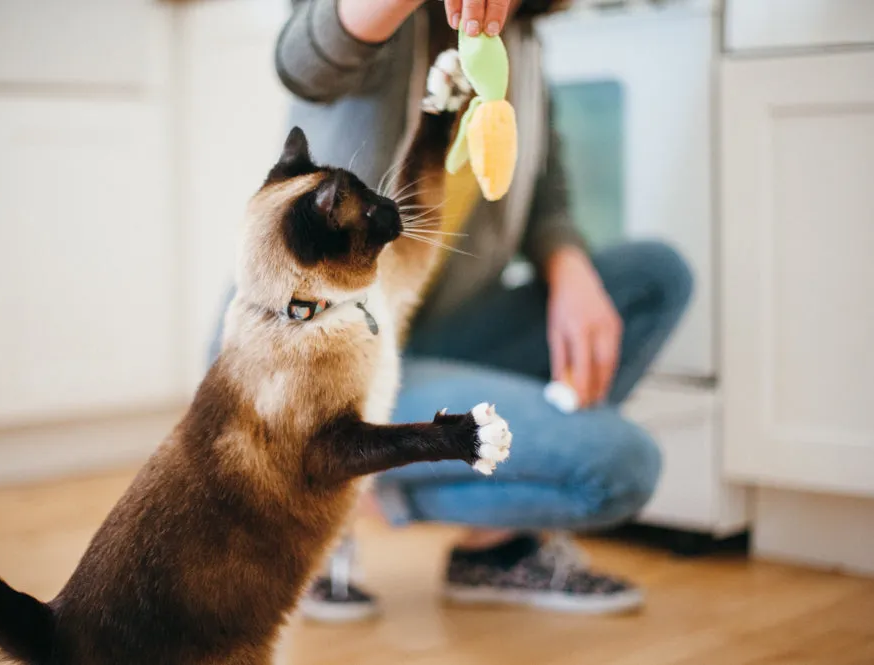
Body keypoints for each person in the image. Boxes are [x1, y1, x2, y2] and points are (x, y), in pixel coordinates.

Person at [211, 0, 694, 620]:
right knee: (620, 467)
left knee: (654, 278)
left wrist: (568, 264)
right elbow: (302, 60)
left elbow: (544, 183)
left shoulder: (516, 35)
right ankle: (336, 491)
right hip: (329, 357)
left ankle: (489, 549)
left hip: (451, 327)